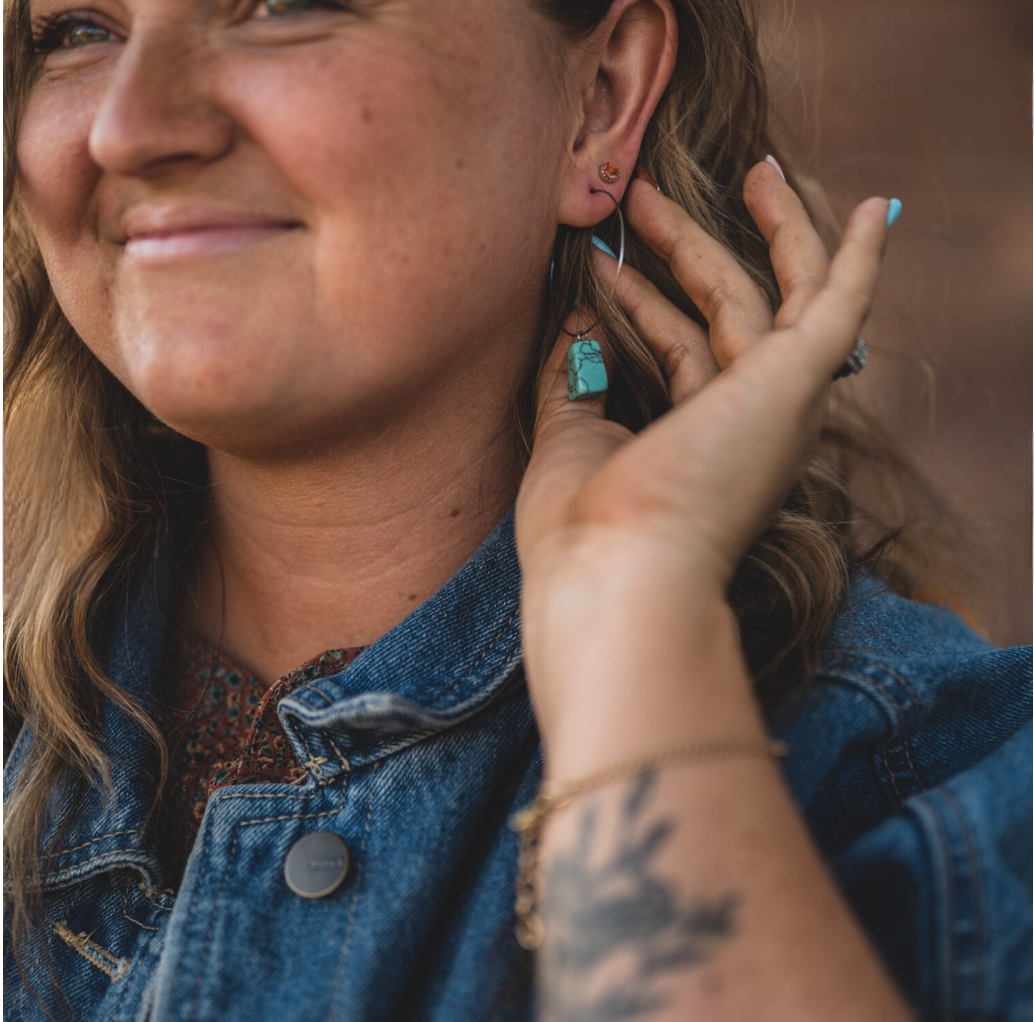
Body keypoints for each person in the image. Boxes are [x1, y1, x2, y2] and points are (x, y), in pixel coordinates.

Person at [3, 0, 1030, 1017]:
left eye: (285, 5)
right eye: (77, 29)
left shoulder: (936, 789)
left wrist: (630, 619)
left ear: (597, 101)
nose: (128, 126)